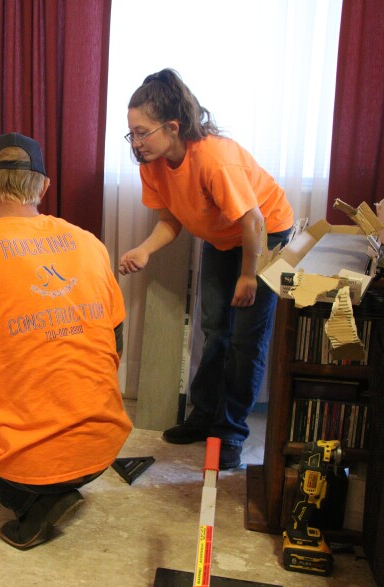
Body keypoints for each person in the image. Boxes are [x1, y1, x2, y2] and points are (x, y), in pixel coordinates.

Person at [0, 132, 131, 550]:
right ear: (45, 187)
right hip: (103, 445)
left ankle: (30, 502)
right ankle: (60, 476)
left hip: (37, 463)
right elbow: (115, 348)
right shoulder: (90, 246)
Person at [118, 68, 294, 469]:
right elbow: (171, 221)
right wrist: (145, 250)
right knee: (216, 329)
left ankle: (230, 432)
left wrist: (249, 276)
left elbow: (253, 222)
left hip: (265, 237)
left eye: (142, 132)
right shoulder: (153, 162)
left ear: (173, 127)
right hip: (224, 238)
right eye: (132, 133)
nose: (136, 142)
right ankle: (204, 417)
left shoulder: (215, 159)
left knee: (246, 339)